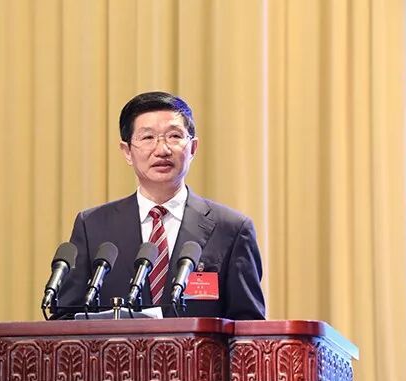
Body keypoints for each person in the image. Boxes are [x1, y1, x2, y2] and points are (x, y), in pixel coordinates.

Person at [57, 91, 265, 320]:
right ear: (127, 152)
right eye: (148, 138)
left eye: (174, 136)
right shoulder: (93, 226)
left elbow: (249, 326)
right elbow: (66, 319)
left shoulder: (232, 229)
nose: (162, 149)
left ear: (193, 148)